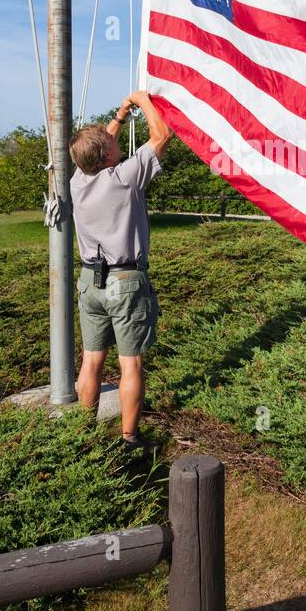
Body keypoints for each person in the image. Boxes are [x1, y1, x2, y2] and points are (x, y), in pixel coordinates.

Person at [68, 90, 171, 448]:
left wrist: (122, 112)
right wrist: (142, 101)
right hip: (126, 281)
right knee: (131, 365)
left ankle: (83, 434)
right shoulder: (126, 178)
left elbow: (98, 147)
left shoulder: (77, 182)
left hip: (89, 282)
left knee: (92, 360)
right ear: (107, 155)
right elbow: (162, 135)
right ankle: (130, 439)